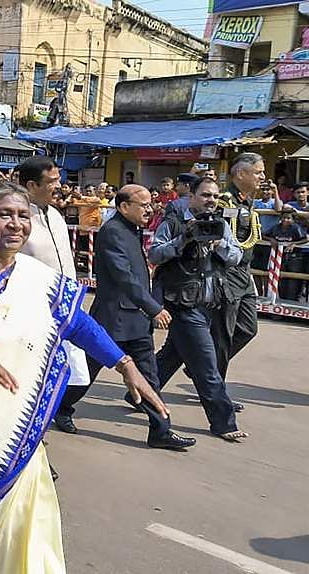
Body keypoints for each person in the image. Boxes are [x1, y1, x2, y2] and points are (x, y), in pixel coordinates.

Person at [0, 181, 169, 572]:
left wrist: (125, 366)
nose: (16, 224)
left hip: (18, 428)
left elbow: (79, 325)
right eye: (4, 214)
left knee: (23, 516)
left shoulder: (36, 278)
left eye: (23, 215)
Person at [61, 185, 196, 449]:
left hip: (137, 321)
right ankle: (61, 408)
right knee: (87, 373)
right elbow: (125, 278)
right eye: (143, 205)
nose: (150, 209)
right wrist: (154, 308)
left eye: (151, 204)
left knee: (149, 374)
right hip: (113, 320)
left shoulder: (131, 230)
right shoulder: (112, 233)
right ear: (124, 206)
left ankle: (160, 430)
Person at [150, 177, 247, 441]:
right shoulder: (173, 222)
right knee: (207, 365)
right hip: (183, 304)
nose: (210, 201)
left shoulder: (221, 225)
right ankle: (224, 422)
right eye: (205, 195)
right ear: (191, 196)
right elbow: (155, 255)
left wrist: (218, 244)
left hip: (210, 304)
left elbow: (237, 257)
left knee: (172, 355)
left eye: (214, 196)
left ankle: (142, 393)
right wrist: (183, 240)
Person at [16, 157, 92, 431]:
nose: (59, 186)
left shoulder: (57, 216)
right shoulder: (18, 219)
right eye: (52, 182)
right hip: (33, 313)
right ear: (31, 185)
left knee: (79, 375)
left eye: (58, 180)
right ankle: (33, 434)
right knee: (34, 378)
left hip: (68, 307)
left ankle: (57, 411)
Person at [212, 153, 262, 383]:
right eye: (258, 172)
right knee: (224, 333)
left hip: (244, 272)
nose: (263, 176)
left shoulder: (247, 200)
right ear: (241, 174)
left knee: (248, 328)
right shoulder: (225, 201)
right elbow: (218, 237)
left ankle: (203, 366)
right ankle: (215, 385)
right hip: (227, 272)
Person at [264, 211, 309, 301]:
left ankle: (293, 302)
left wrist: (294, 244)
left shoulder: (295, 228)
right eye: (284, 218)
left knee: (293, 283)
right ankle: (282, 301)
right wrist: (271, 239)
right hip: (281, 258)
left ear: (292, 220)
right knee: (281, 281)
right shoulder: (276, 227)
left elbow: (305, 239)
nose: (285, 220)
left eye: (288, 218)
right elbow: (263, 235)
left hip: (295, 258)